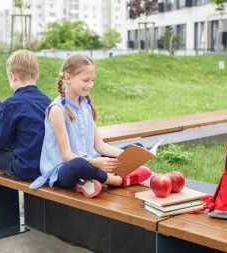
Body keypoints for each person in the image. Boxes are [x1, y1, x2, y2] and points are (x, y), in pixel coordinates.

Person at [30, 54, 151, 197]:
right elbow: (67, 156)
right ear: (68, 78)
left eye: (92, 80)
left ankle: (91, 181)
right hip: (65, 169)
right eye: (86, 80)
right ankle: (116, 180)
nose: (91, 85)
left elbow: (100, 146)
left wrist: (129, 156)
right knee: (79, 165)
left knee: (137, 148)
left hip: (91, 160)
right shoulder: (57, 110)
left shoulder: (85, 105)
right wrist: (97, 163)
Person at [0, 49, 51, 182]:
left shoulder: (11, 104)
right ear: (36, 74)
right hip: (46, 166)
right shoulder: (48, 101)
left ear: (12, 75)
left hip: (24, 169)